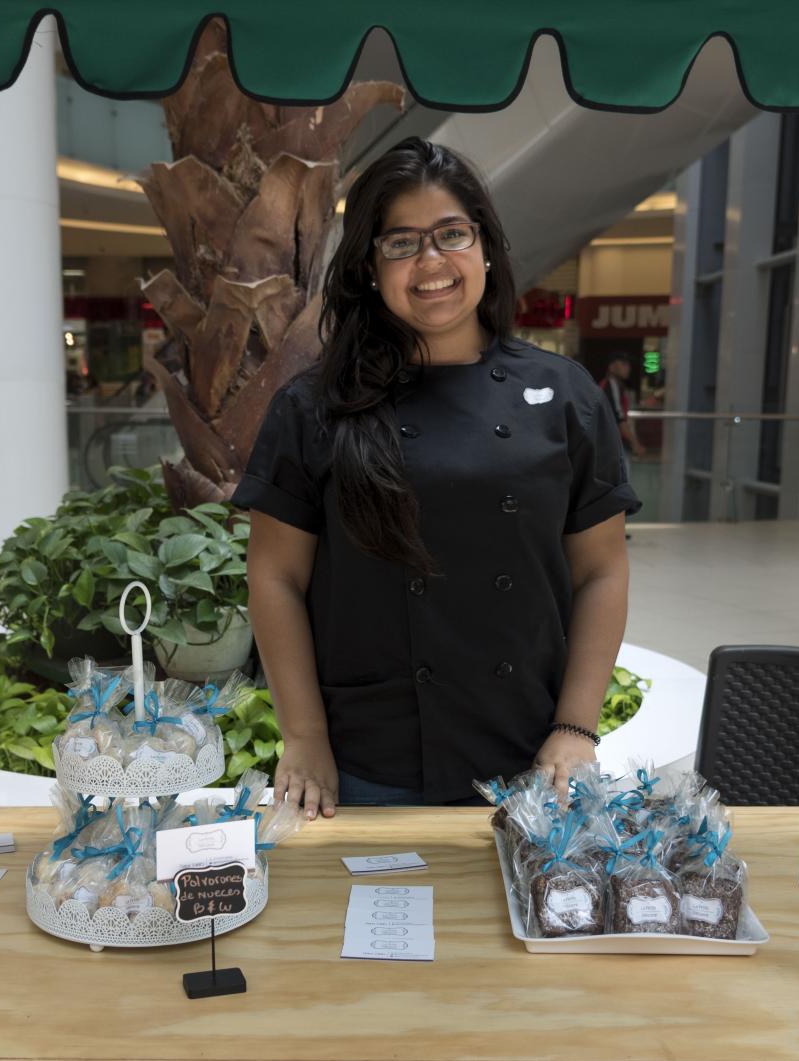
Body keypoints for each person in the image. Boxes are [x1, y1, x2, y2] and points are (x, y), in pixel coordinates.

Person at [233, 136, 639, 817]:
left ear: (484, 247)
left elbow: (602, 570)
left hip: (530, 757)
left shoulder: (564, 395)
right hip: (367, 760)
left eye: (451, 234)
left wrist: (574, 728)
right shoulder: (313, 406)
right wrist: (304, 736)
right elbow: (275, 576)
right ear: (367, 266)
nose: (432, 262)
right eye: (401, 243)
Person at [598, 352, 647, 458]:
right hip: (611, 445)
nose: (628, 368)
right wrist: (635, 443)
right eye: (623, 364)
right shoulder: (611, 385)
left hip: (610, 444)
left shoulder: (615, 386)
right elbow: (619, 419)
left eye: (628, 364)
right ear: (611, 367)